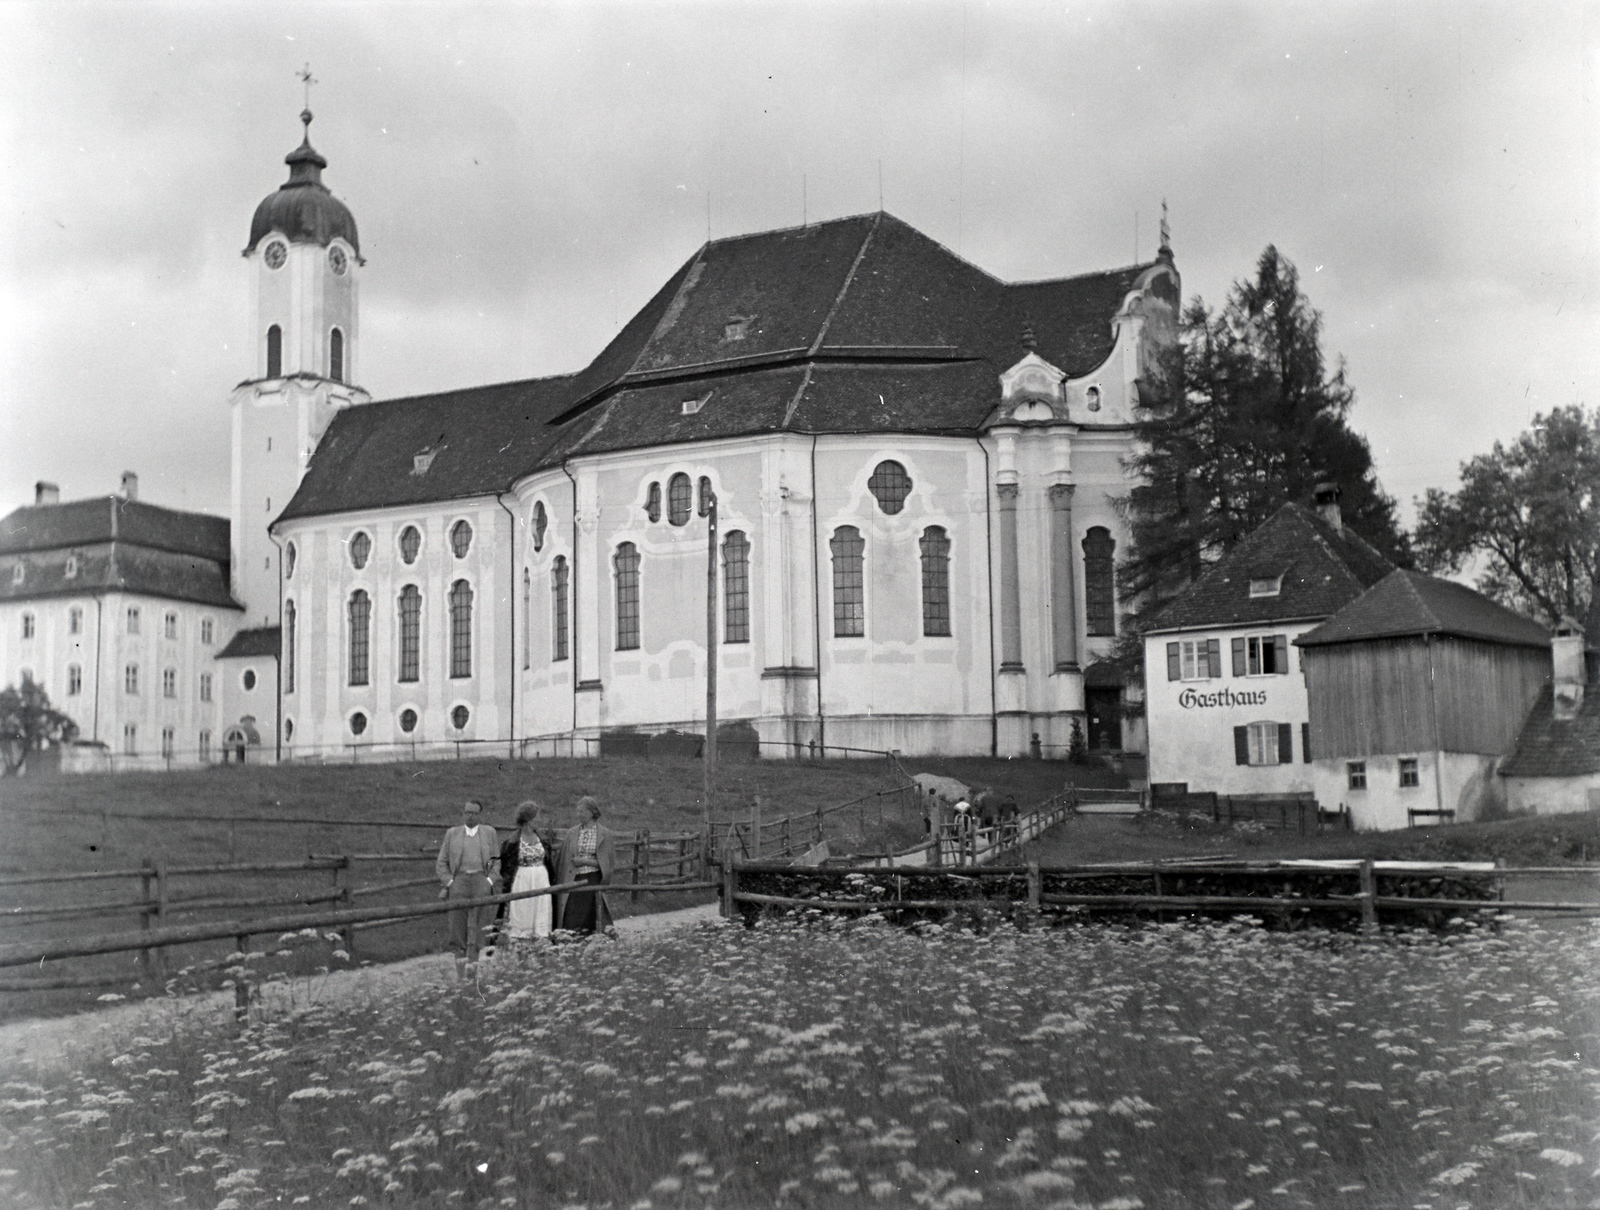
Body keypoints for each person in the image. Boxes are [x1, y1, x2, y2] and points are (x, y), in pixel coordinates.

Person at [435, 799, 499, 982]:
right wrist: (450, 883)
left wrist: (489, 880)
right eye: (467, 813)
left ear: (480, 815)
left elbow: (496, 861)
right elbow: (441, 862)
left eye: (474, 813)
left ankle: (473, 975)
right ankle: (461, 977)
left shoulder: (489, 833)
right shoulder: (453, 834)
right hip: (460, 881)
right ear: (463, 814)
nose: (470, 816)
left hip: (480, 880)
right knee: (458, 928)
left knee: (480, 928)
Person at [554, 796, 615, 935]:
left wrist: (585, 861)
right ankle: (569, 942)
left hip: (593, 879)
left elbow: (607, 864)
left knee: (591, 916)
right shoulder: (572, 832)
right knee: (571, 916)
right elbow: (564, 858)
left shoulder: (604, 834)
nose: (578, 814)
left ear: (591, 812)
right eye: (577, 811)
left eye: (581, 811)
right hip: (574, 878)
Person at [500, 800, 554, 944]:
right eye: (537, 817)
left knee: (541, 916)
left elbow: (549, 861)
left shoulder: (543, 839)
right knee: (522, 915)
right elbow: (505, 865)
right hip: (522, 880)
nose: (540, 820)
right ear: (529, 819)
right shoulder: (512, 841)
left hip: (541, 880)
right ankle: (522, 954)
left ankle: (540, 953)